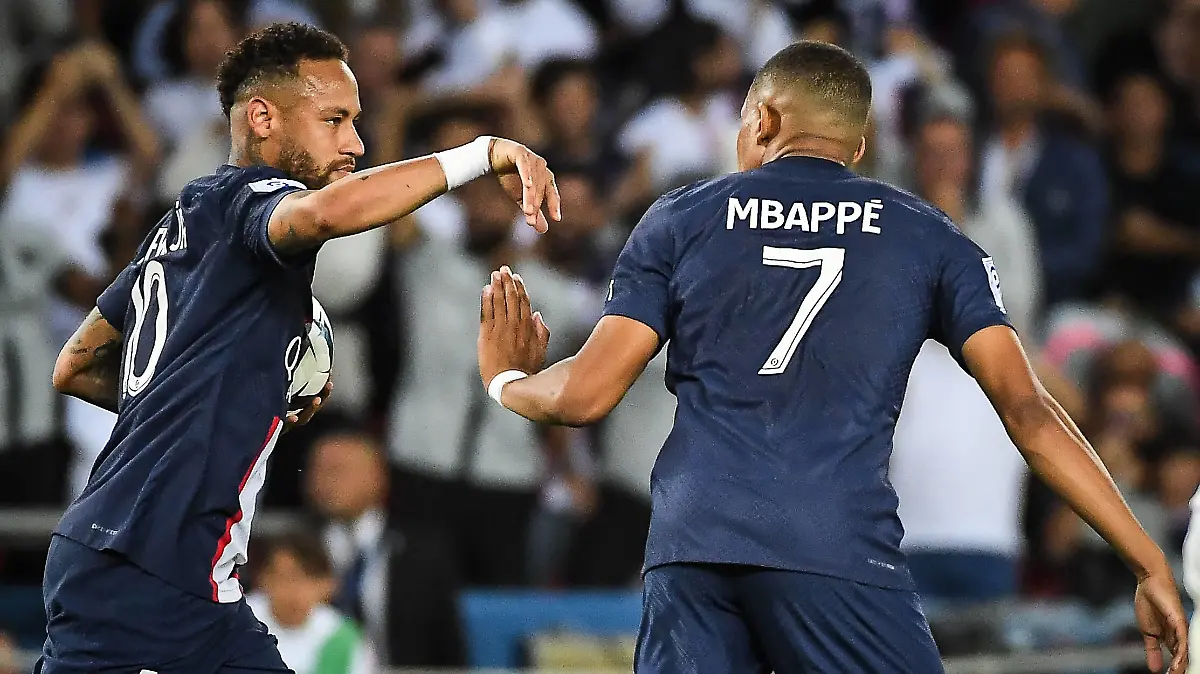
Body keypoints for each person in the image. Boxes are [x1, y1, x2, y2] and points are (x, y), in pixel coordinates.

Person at [476, 40, 1189, 673]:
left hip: (692, 547)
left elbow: (585, 396)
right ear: (857, 142)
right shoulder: (929, 237)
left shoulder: (679, 218)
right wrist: (1147, 558)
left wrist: (509, 380)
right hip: (833, 546)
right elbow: (1028, 411)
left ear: (763, 120)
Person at [41, 21, 559, 674]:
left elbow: (77, 364)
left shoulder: (175, 233)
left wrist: (244, 394)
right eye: (335, 119)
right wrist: (479, 154)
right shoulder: (251, 200)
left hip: (142, 558)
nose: (356, 142)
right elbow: (321, 214)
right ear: (262, 117)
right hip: (152, 564)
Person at [246, 533, 374, 674]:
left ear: (328, 584)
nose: (295, 589)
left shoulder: (343, 638)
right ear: (264, 578)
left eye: (307, 577)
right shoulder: (239, 622)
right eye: (286, 577)